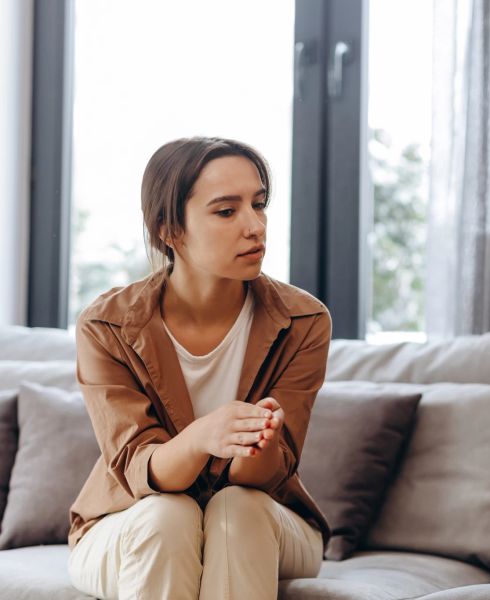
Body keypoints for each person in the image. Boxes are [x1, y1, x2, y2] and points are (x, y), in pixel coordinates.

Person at [67, 137, 331, 600]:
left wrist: (259, 442)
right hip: (129, 520)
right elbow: (139, 470)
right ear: (169, 230)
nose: (255, 226)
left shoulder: (304, 321)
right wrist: (205, 436)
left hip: (263, 516)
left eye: (259, 204)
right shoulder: (106, 325)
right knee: (168, 516)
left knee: (236, 510)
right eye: (227, 211)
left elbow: (267, 478)